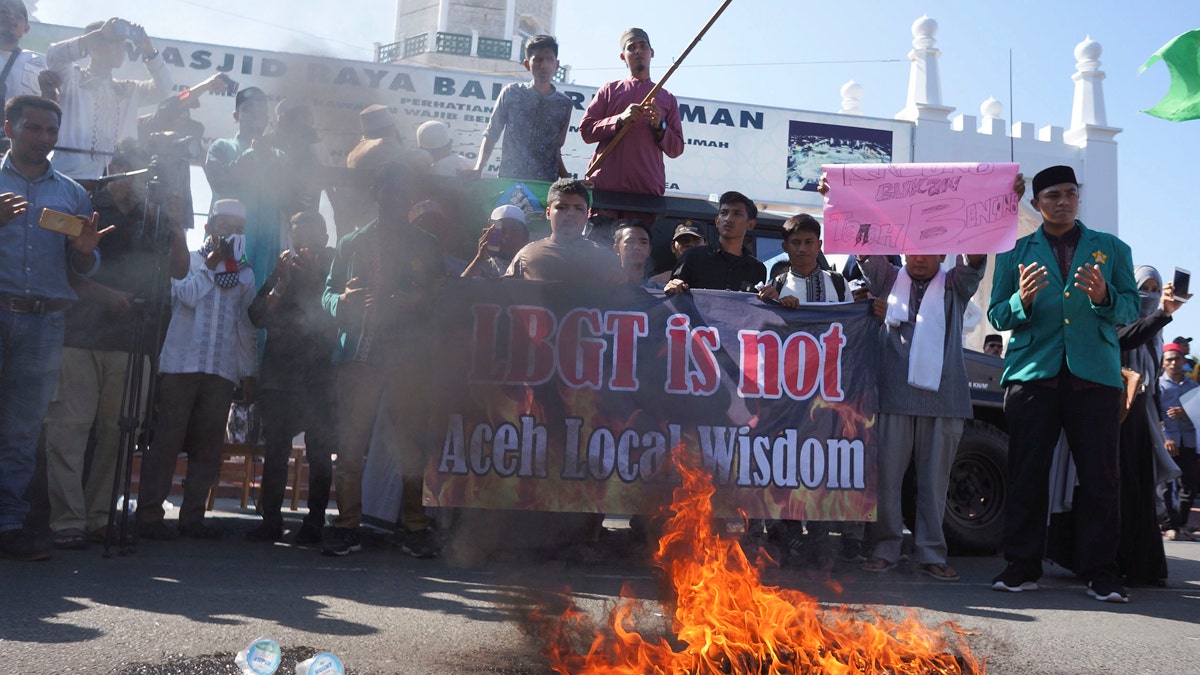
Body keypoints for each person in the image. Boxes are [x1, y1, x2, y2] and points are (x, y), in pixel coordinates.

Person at [988, 165, 1138, 603]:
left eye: (1070, 193)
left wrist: (1105, 297)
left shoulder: (1111, 249)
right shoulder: (1015, 251)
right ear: (1036, 204)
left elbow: (1131, 306)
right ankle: (1021, 564)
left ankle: (1101, 570)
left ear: (1078, 197)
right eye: (1052, 195)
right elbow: (998, 314)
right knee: (1025, 473)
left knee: (1100, 477)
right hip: (1034, 374)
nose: (1063, 201)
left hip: (1094, 377)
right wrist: (1022, 300)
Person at [42, 141, 188, 550]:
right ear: (118, 168)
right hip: (80, 334)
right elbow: (61, 270)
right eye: (136, 170)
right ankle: (67, 520)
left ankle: (101, 516)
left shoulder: (154, 215)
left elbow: (179, 269)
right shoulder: (83, 203)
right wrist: (104, 295)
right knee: (69, 430)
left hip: (134, 338)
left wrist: (176, 224)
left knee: (118, 433)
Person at [0, 94, 106, 561]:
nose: (43, 138)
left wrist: (85, 250)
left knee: (22, 432)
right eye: (33, 128)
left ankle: (6, 528)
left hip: (44, 323)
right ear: (8, 128)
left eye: (50, 132)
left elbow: (82, 271)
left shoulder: (72, 193)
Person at [322, 162, 443, 558]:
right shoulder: (352, 242)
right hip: (359, 356)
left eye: (403, 195)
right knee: (350, 446)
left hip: (408, 358)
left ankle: (414, 527)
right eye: (389, 193)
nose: (396, 201)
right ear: (377, 195)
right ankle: (347, 525)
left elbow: (440, 296)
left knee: (410, 445)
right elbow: (327, 293)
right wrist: (342, 301)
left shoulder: (426, 243)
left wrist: (416, 301)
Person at [135, 199, 257, 541]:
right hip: (181, 366)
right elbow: (186, 295)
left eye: (237, 227)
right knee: (167, 443)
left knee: (208, 448)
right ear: (208, 226)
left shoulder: (244, 272)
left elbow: (245, 326)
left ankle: (192, 518)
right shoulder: (186, 260)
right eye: (224, 225)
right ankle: (148, 516)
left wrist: (248, 372)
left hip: (221, 370)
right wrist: (211, 264)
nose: (231, 232)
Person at [756, 213, 861, 567]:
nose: (802, 249)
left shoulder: (838, 283)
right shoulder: (774, 282)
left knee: (821, 458)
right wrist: (774, 306)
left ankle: (820, 537)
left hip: (827, 387)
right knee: (787, 458)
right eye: (795, 243)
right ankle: (785, 535)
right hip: (787, 390)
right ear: (784, 247)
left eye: (808, 242)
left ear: (819, 244)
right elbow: (760, 327)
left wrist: (871, 310)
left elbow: (851, 324)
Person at [245, 211, 336, 544]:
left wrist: (315, 278)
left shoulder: (333, 268)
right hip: (280, 376)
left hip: (318, 377)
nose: (305, 245)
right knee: (276, 451)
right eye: (299, 238)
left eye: (312, 237)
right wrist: (281, 283)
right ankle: (271, 520)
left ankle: (314, 523)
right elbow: (256, 315)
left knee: (319, 452)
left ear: (325, 239)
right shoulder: (283, 270)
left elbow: (336, 315)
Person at [1107, 265, 1184, 585]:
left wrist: (1161, 426)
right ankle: (1111, 563)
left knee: (1141, 490)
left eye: (1155, 289)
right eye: (1144, 288)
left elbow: (1152, 385)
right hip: (1116, 413)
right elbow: (1120, 343)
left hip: (1143, 418)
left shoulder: (1157, 334)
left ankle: (1143, 567)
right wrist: (1159, 316)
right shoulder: (1119, 319)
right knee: (1117, 488)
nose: (1149, 295)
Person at [45, 18, 172, 183]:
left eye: (123, 45)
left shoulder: (129, 90)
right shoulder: (72, 79)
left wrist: (148, 49)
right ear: (94, 45)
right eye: (114, 43)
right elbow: (54, 56)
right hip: (69, 180)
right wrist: (98, 34)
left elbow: (164, 88)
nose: (121, 50)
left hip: (116, 187)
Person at [579, 27, 683, 197]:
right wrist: (618, 120)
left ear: (652, 52)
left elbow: (676, 149)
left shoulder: (667, 98)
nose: (638, 51)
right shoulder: (609, 90)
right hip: (604, 190)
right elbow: (586, 131)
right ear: (623, 56)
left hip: (646, 193)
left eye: (643, 46)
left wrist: (660, 125)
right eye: (631, 47)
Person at [204, 86, 286, 291]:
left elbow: (289, 195)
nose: (256, 115)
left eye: (261, 111)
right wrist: (252, 154)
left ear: (267, 118)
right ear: (236, 115)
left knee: (255, 315)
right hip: (224, 253)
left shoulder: (280, 157)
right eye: (249, 109)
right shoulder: (220, 148)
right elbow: (220, 182)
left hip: (266, 254)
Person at [473, 34, 571, 182]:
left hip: (544, 185)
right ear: (527, 64)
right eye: (538, 59)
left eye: (549, 59)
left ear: (556, 65)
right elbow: (491, 134)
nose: (544, 65)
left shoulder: (564, 104)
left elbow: (556, 150)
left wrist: (568, 181)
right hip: (509, 181)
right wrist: (478, 168)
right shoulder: (511, 93)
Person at [503, 178, 624, 284]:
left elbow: (624, 303)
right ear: (548, 213)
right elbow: (503, 298)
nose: (570, 213)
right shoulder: (527, 256)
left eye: (578, 208)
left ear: (587, 214)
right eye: (561, 207)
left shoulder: (604, 259)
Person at [664, 190, 765, 295]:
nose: (728, 219)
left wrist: (771, 297)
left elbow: (757, 308)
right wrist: (672, 287)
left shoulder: (757, 269)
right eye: (724, 213)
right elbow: (674, 299)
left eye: (737, 214)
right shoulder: (692, 257)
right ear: (717, 221)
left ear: (750, 224)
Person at [1162, 342, 1200, 540]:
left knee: (1189, 483)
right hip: (1167, 442)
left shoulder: (1194, 387)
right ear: (1163, 363)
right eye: (1169, 359)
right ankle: (1169, 525)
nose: (1173, 363)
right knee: (1165, 485)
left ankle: (1182, 523)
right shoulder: (1157, 386)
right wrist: (1164, 437)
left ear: (1184, 361)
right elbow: (1152, 415)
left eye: (1177, 359)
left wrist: (1186, 412)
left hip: (1189, 442)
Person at [0, 0, 45, 123]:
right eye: (3, 12)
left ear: (26, 28)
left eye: (18, 16)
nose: (10, 17)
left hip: (20, 139)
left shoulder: (40, 62)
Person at [461, 204, 529, 279]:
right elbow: (461, 288)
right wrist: (480, 259)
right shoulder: (482, 268)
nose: (508, 236)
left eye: (514, 230)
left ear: (525, 236)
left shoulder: (532, 267)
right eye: (502, 231)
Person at [648, 221, 703, 287]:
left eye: (696, 240)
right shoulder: (657, 282)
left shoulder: (716, 275)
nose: (690, 244)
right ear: (673, 247)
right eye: (684, 240)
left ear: (706, 244)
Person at [613, 220, 660, 288]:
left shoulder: (660, 292)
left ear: (649, 250)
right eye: (630, 241)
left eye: (643, 242)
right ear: (617, 248)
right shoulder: (604, 290)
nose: (637, 247)